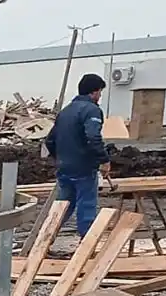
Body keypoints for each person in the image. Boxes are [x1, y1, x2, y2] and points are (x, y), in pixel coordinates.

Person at [46, 73, 112, 237]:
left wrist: (59, 159)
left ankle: (46, 238)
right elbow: (93, 136)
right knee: (86, 207)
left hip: (64, 167)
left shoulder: (65, 111)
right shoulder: (92, 110)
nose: (100, 96)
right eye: (100, 92)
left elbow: (50, 141)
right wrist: (103, 160)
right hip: (84, 168)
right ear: (95, 92)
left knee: (63, 207)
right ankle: (86, 245)